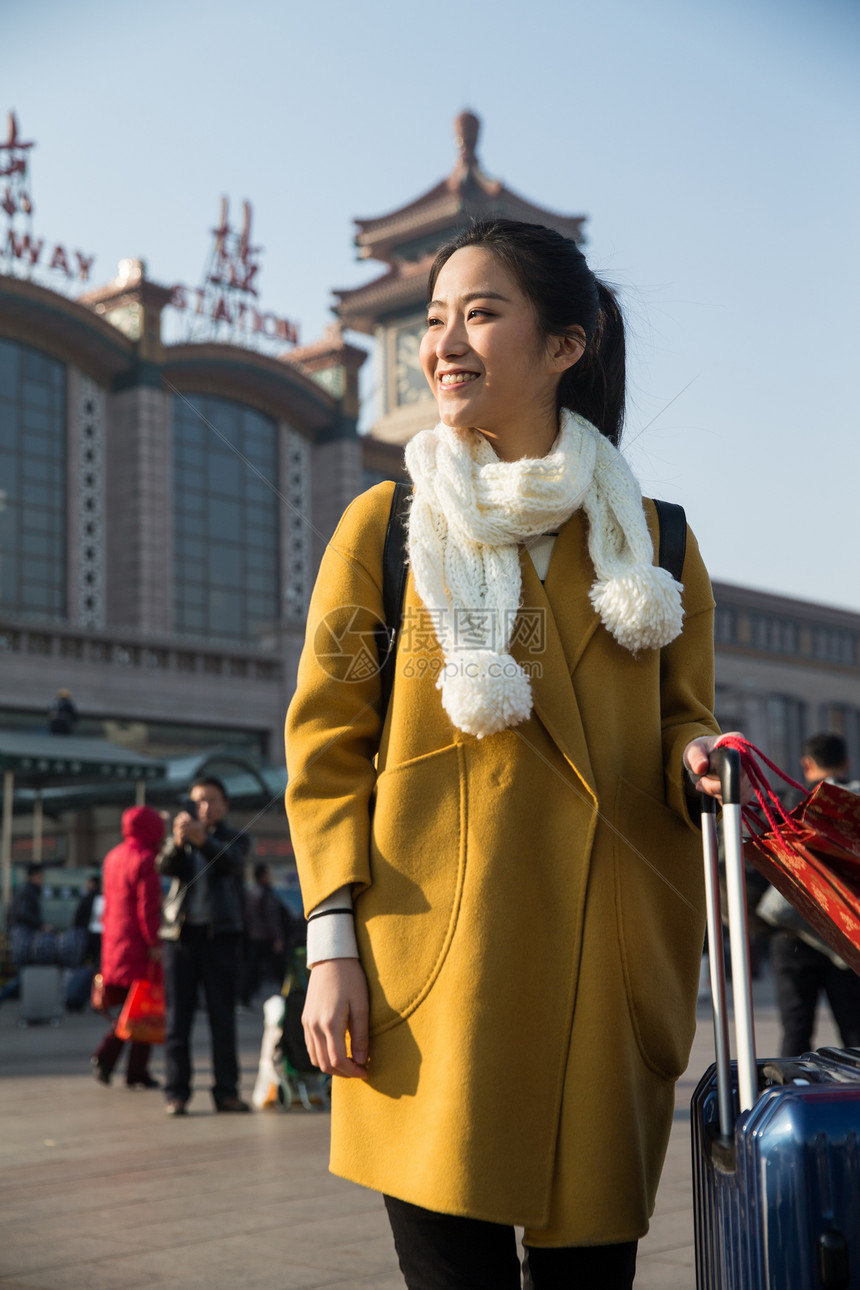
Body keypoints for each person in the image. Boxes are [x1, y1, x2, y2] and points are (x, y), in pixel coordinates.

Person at [285, 218, 737, 1289]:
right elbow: (325, 748)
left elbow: (680, 715)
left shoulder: (654, 542)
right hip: (437, 971)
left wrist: (698, 755)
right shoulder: (383, 524)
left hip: (603, 960)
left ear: (564, 348)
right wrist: (328, 945)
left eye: (480, 314)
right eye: (436, 318)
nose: (444, 343)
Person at [158, 776, 250, 1115]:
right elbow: (164, 867)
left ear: (225, 805)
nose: (204, 806)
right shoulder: (181, 837)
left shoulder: (235, 838)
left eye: (212, 799)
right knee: (177, 1021)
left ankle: (226, 1092)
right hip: (180, 939)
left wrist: (204, 842)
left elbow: (233, 865)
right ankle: (176, 1092)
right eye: (198, 800)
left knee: (222, 1019)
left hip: (220, 938)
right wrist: (178, 843)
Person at [768, 733, 860, 1056]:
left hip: (790, 933)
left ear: (806, 765)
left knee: (795, 1032)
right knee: (855, 1032)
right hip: (844, 932)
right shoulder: (852, 805)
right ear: (846, 763)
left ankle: (793, 1095)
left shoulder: (785, 804)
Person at [91, 807, 164, 1088]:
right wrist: (154, 942)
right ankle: (121, 1063)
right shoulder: (147, 858)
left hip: (114, 943)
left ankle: (117, 1063)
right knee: (143, 1008)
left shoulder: (112, 856)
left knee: (130, 1008)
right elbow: (147, 907)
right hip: (138, 946)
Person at [241, 862, 288, 1008]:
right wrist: (278, 937)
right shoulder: (266, 894)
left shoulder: (251, 892)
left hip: (254, 937)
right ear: (262, 876)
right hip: (267, 938)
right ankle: (289, 996)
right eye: (268, 874)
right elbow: (272, 917)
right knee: (279, 970)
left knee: (252, 970)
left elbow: (247, 917)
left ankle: (244, 999)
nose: (270, 877)